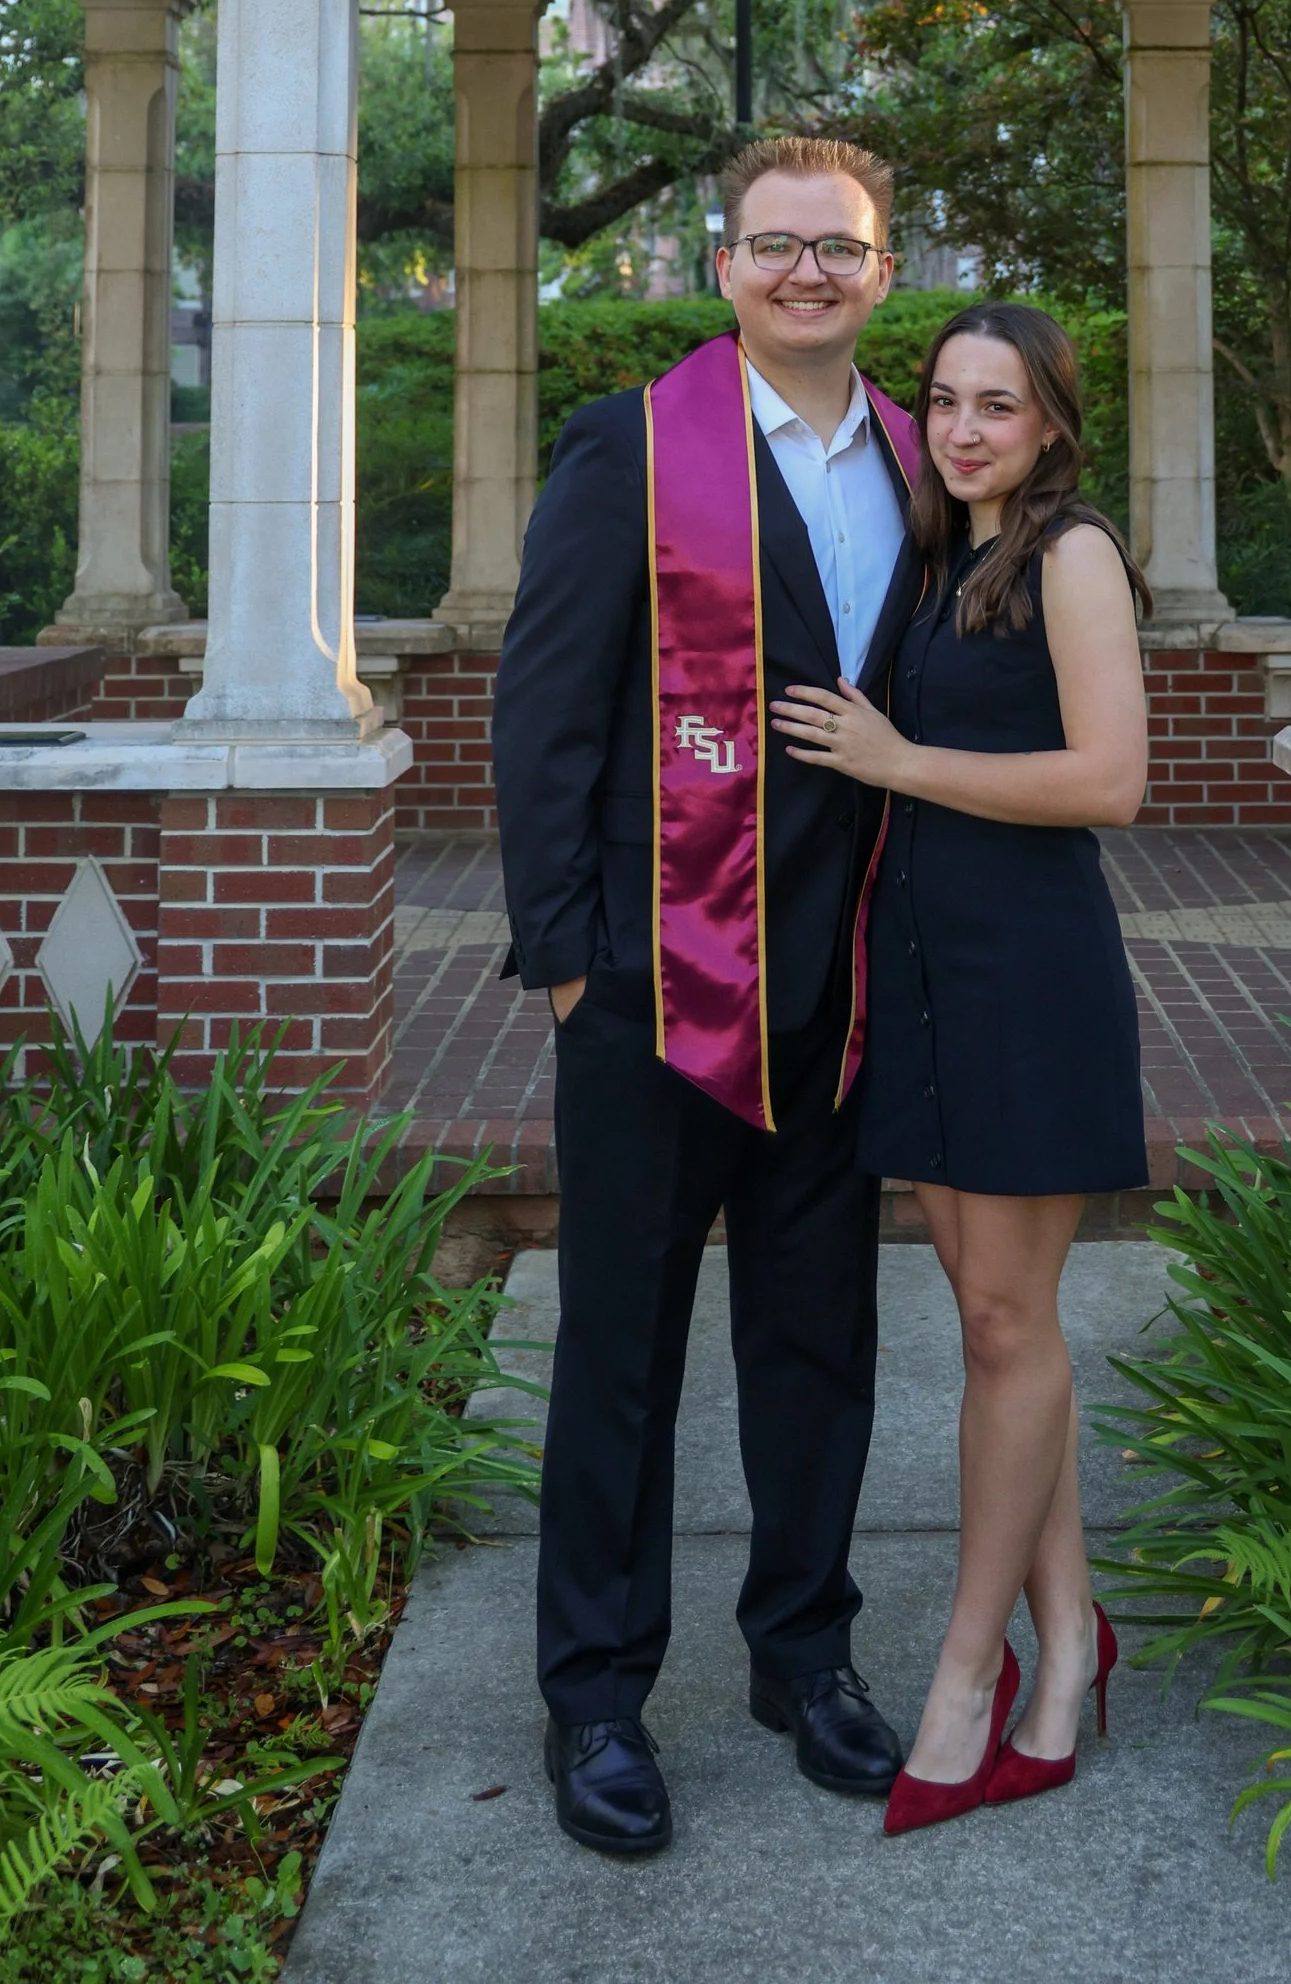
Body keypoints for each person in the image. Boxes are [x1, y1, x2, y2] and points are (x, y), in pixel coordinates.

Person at [491, 134, 926, 1859]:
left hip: (845, 982)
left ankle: (803, 1658)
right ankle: (594, 1695)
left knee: (819, 1341)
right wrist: (569, 951)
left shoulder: (920, 459)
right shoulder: (631, 446)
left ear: (884, 270)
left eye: (841, 247)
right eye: (776, 245)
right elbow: (545, 710)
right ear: (723, 264)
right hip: (655, 985)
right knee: (620, 1348)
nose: (808, 271)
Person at [773, 302, 1149, 1834]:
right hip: (922, 985)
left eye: (1000, 404)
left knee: (1007, 1332)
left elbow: (1112, 782)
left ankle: (967, 1671)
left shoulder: (1073, 556)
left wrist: (898, 762)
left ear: (1055, 422)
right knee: (1005, 1330)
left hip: (1029, 983)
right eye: (943, 399)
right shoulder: (939, 562)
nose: (966, 426)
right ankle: (1074, 1637)